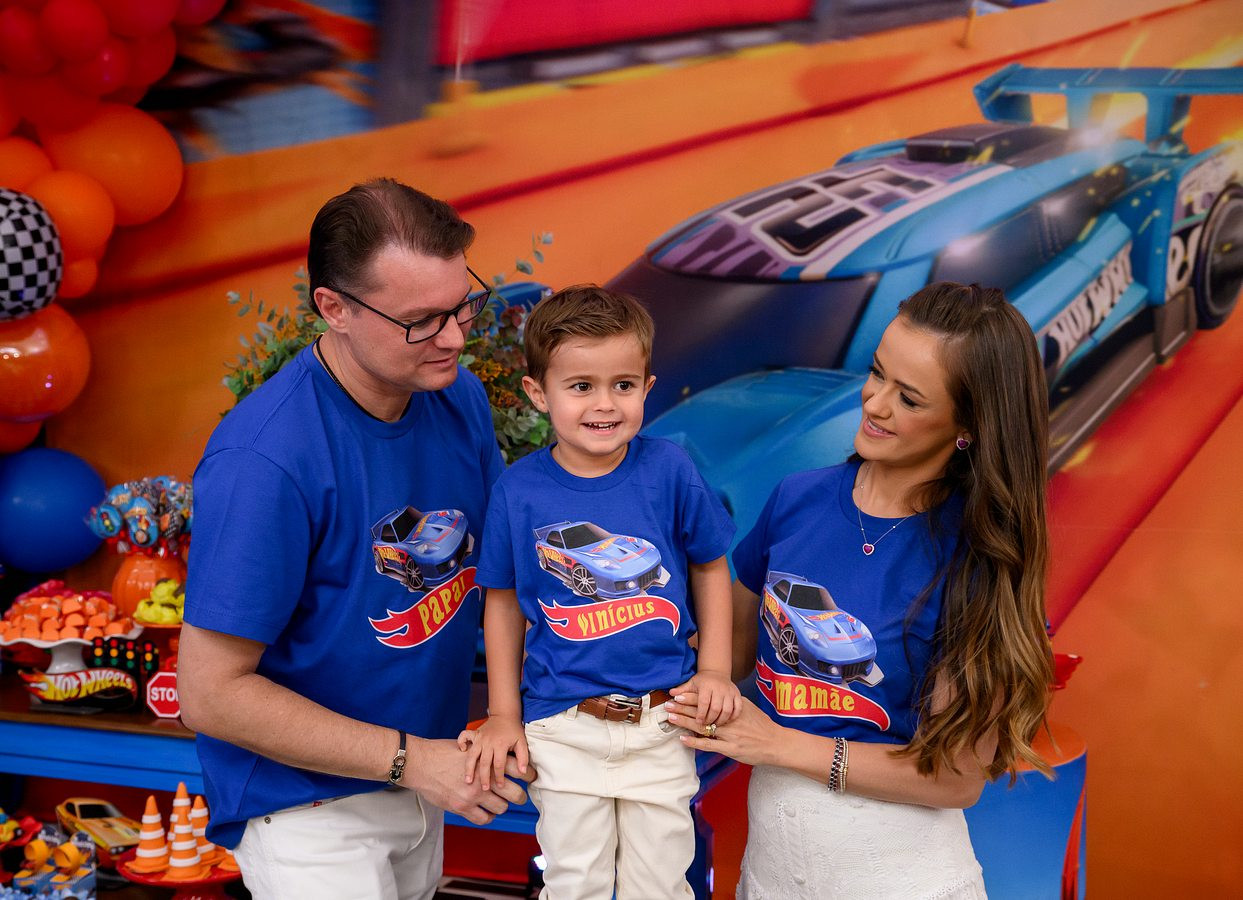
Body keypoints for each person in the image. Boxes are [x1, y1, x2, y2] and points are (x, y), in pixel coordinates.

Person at [178, 178, 529, 899]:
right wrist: (412, 761)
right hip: (307, 810)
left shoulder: (454, 395)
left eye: (462, 304)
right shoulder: (264, 458)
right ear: (333, 309)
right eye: (420, 321)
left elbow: (502, 569)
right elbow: (209, 694)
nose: (455, 338)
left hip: (421, 779)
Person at [670, 281, 1056, 898]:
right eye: (877, 374)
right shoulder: (796, 499)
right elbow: (723, 655)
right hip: (769, 877)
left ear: (968, 426)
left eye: (908, 398)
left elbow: (955, 778)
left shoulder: (978, 558)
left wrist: (779, 745)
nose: (874, 403)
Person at [461, 285, 740, 899]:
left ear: (647, 386)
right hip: (563, 724)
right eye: (581, 386)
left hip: (663, 719)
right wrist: (504, 713)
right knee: (575, 882)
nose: (605, 404)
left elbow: (710, 566)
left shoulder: (669, 470)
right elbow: (501, 601)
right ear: (539, 393)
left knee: (659, 884)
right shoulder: (518, 490)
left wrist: (716, 670)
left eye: (623, 384)